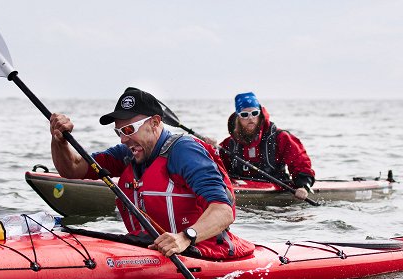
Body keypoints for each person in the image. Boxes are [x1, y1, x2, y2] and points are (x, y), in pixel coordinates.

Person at [50, 87, 255, 260]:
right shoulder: (128, 153)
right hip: (152, 249)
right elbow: (73, 169)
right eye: (119, 132)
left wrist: (184, 237)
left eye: (129, 130)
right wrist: (60, 140)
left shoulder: (184, 151)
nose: (123, 139)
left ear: (155, 123)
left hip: (202, 252)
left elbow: (223, 211)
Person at [218, 92, 315, 201]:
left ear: (260, 115)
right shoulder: (228, 144)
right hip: (240, 187)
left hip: (277, 187)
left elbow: (300, 162)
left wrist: (303, 186)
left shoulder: (281, 138)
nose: (250, 118)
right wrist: (211, 149)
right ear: (238, 118)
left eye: (254, 113)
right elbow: (216, 166)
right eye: (244, 115)